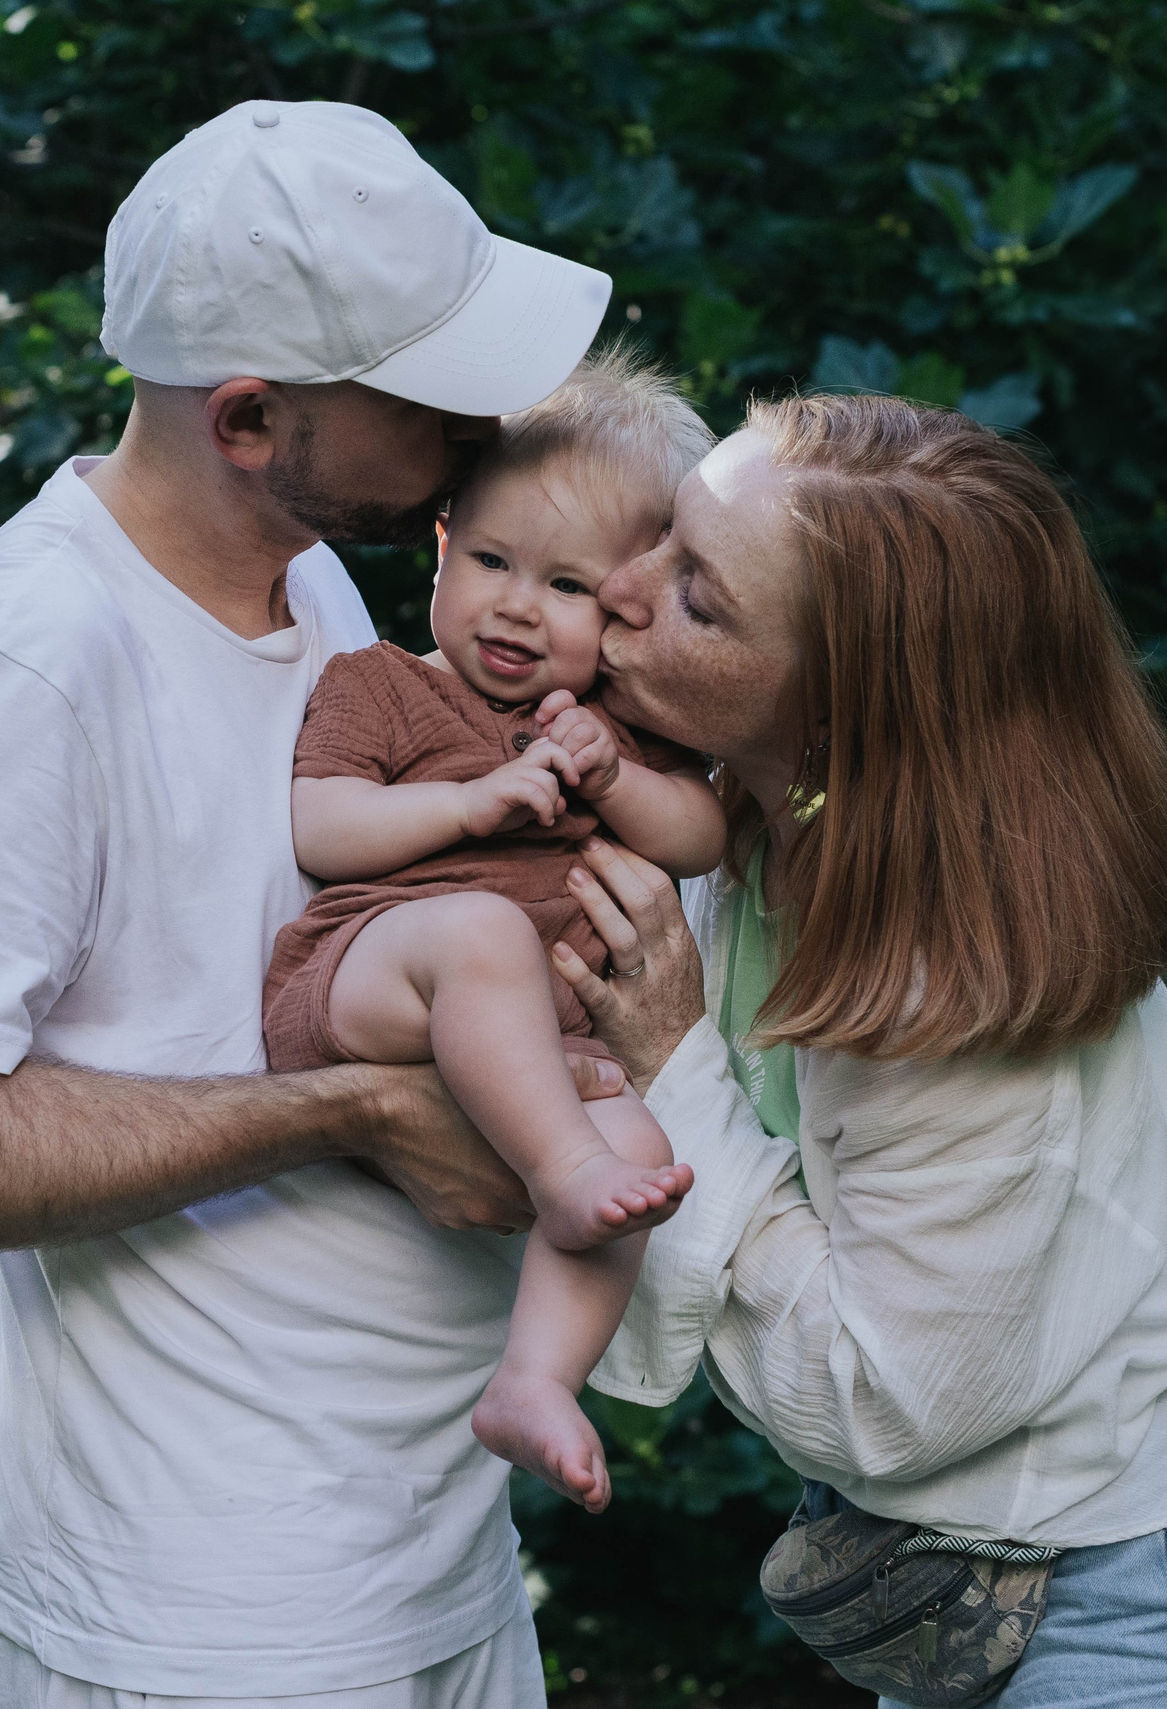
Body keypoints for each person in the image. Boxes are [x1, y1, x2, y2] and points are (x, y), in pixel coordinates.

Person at [0, 99, 612, 1709]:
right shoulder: (31, 662)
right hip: (216, 1615)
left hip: (424, 1552)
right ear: (249, 417)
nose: (488, 421)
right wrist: (349, 1115)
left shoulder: (308, 572)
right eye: (432, 394)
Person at [556, 394, 1167, 1706]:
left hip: (1144, 1604)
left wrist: (674, 1069)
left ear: (841, 721)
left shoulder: (961, 983)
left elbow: (882, 1401)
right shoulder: (757, 816)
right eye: (666, 534)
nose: (621, 592)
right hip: (982, 1574)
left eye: (700, 597)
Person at [266, 350, 721, 1514]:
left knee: (640, 1152)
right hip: (371, 972)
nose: (517, 604)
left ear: (623, 612)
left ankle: (532, 1378)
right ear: (439, 545)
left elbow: (701, 833)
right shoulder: (381, 683)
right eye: (491, 562)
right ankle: (557, 1163)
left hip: (528, 1047)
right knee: (476, 928)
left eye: (568, 587)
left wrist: (613, 772)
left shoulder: (609, 729)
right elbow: (325, 824)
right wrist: (468, 805)